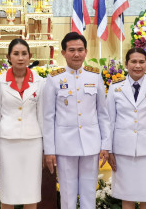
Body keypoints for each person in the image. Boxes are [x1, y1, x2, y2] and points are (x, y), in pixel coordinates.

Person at [43, 32, 111, 209]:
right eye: (71, 50)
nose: (76, 54)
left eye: (80, 50)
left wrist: (106, 144)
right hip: (65, 146)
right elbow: (48, 117)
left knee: (89, 194)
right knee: (67, 194)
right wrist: (49, 150)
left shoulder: (94, 76)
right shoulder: (54, 78)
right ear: (63, 52)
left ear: (86, 52)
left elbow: (103, 113)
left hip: (91, 143)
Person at [107, 48, 146, 209]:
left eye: (142, 62)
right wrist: (109, 149)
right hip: (122, 150)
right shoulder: (115, 87)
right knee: (127, 197)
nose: (137, 65)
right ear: (126, 64)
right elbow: (109, 121)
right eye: (133, 61)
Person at [0, 39, 45, 209]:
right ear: (8, 57)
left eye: (24, 54)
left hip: (32, 141)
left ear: (30, 56)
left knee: (31, 190)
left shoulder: (40, 81)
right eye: (16, 54)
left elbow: (42, 116)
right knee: (8, 190)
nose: (20, 58)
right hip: (7, 141)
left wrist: (46, 148)